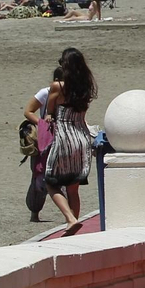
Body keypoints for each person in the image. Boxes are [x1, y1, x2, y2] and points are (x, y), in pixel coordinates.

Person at [40, 48, 98, 232]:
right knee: (73, 188)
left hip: (64, 136)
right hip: (81, 136)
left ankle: (70, 218)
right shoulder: (86, 87)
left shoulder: (58, 86)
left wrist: (49, 116)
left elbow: (50, 111)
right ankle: (73, 225)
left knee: (51, 182)